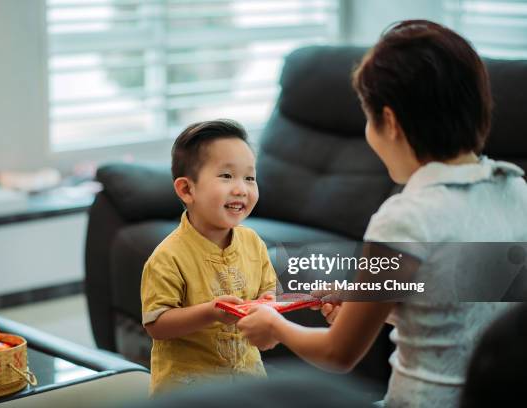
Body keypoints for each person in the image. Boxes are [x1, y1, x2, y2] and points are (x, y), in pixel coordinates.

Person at [236, 20, 527, 407]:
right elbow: (468, 302)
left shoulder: (405, 217)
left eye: (368, 120)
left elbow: (339, 355)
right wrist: (367, 303)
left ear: (389, 122)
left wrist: (275, 325)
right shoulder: (516, 191)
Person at [141, 119, 278, 395]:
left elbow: (267, 291)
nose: (241, 188)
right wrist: (210, 312)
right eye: (226, 176)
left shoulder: (253, 243)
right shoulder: (168, 257)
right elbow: (157, 323)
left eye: (249, 178)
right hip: (188, 393)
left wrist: (268, 315)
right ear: (186, 190)